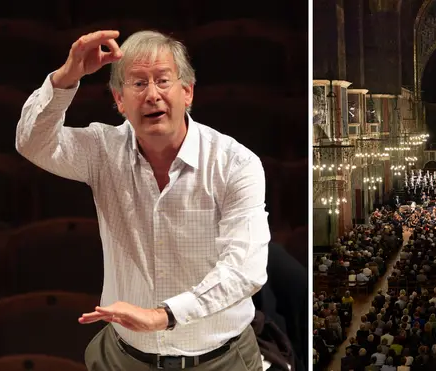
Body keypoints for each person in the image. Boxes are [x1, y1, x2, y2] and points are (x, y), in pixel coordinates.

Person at [15, 30, 268, 370]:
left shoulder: (235, 163)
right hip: (124, 357)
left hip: (217, 359)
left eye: (163, 80)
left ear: (187, 92)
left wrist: (164, 315)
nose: (152, 95)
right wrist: (65, 77)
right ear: (119, 100)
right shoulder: (103, 151)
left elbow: (244, 268)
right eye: (137, 84)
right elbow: (32, 143)